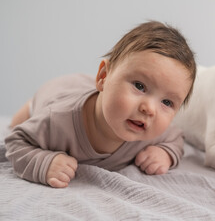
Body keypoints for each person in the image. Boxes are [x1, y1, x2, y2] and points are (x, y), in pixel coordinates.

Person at [5, 21, 196, 188]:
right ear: (103, 77)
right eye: (139, 86)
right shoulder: (56, 119)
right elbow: (16, 142)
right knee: (17, 121)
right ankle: (32, 104)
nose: (150, 109)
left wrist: (164, 153)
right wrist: (43, 163)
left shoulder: (151, 131)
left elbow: (176, 138)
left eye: (167, 102)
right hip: (60, 91)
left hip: (97, 91)